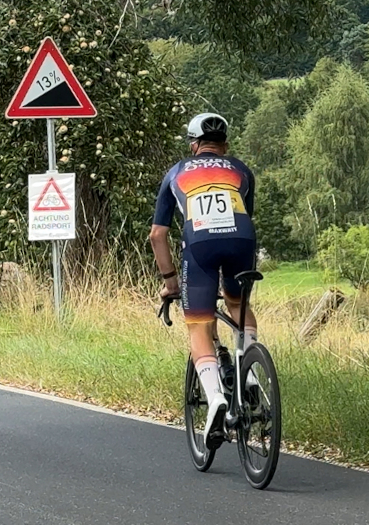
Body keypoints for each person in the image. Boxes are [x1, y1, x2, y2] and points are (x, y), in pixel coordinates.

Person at [149, 113, 259, 450]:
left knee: (198, 324)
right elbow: (246, 214)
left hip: (200, 244)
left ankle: (215, 401)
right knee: (239, 304)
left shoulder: (176, 172)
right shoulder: (241, 170)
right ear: (224, 145)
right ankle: (251, 373)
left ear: (194, 145)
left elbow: (157, 235)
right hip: (242, 238)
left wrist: (170, 282)